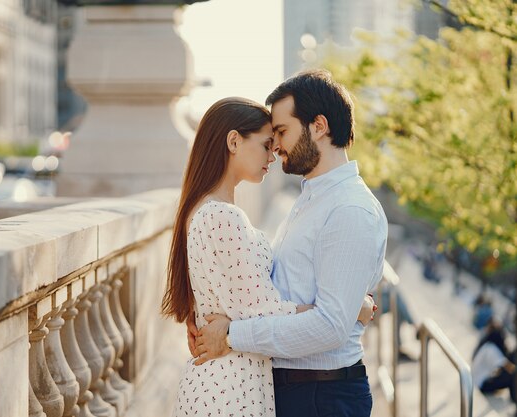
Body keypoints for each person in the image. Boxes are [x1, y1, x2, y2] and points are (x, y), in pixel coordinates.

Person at [161, 96, 376, 417]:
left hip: (221, 384)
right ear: (234, 141)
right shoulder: (224, 216)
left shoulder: (203, 210)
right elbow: (264, 311)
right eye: (266, 145)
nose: (273, 156)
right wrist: (352, 308)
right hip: (230, 390)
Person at [472, 320, 516, 404]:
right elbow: (508, 367)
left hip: (477, 380)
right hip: (480, 384)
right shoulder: (492, 349)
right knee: (511, 376)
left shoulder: (487, 345)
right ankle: (513, 400)